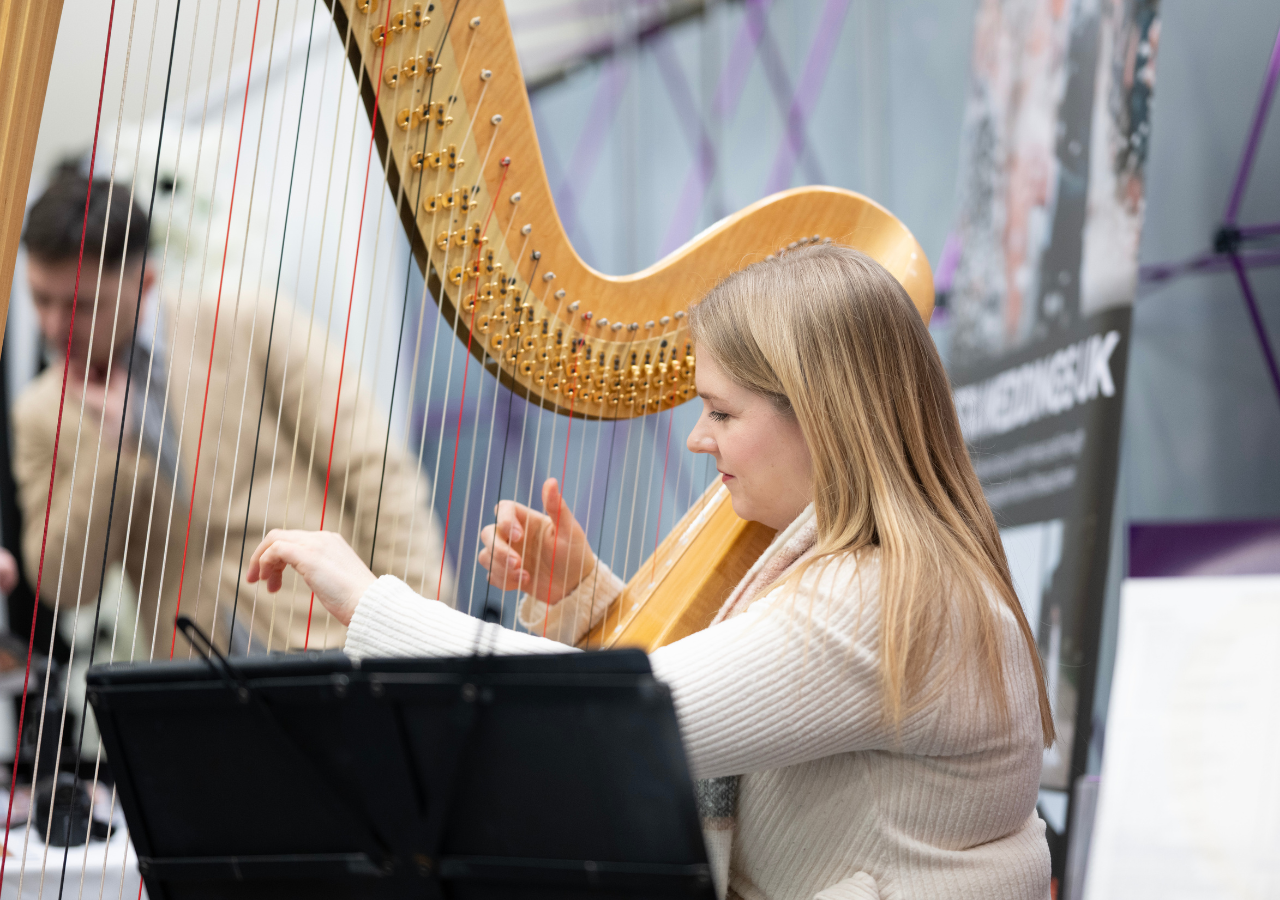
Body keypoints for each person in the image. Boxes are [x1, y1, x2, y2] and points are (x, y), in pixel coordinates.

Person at [248, 243, 1054, 900]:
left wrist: (370, 603)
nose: (699, 438)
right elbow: (740, 681)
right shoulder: (898, 574)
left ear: (825, 417)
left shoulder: (884, 600)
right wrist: (585, 597)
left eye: (723, 412)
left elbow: (626, 722)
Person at [13, 164, 452, 658]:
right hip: (196, 678)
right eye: (40, 300)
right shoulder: (40, 410)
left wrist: (421, 627)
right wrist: (105, 450)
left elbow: (375, 471)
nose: (54, 326)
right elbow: (62, 585)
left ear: (146, 280)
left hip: (331, 646)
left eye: (82, 305)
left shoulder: (246, 324)